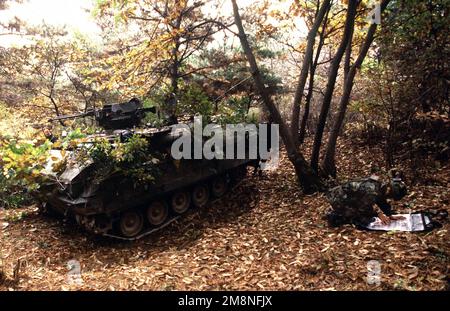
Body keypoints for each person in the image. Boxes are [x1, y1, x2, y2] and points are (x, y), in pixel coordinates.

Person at [325, 170, 408, 227]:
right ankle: (334, 215)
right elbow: (366, 205)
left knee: (368, 212)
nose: (390, 198)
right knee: (364, 217)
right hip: (338, 198)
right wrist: (379, 215)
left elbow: (381, 201)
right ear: (390, 190)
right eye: (391, 196)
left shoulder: (382, 187)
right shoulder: (371, 189)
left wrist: (389, 215)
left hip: (351, 196)